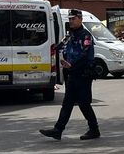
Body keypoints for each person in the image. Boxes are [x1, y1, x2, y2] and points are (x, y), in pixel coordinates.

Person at [40, 10, 100, 141]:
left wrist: (71, 65)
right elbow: (59, 47)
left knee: (84, 104)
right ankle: (58, 130)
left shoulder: (85, 36)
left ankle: (94, 129)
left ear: (80, 19)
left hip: (83, 74)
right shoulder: (70, 35)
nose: (71, 21)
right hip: (71, 75)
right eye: (70, 19)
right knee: (67, 103)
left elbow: (85, 55)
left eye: (73, 19)